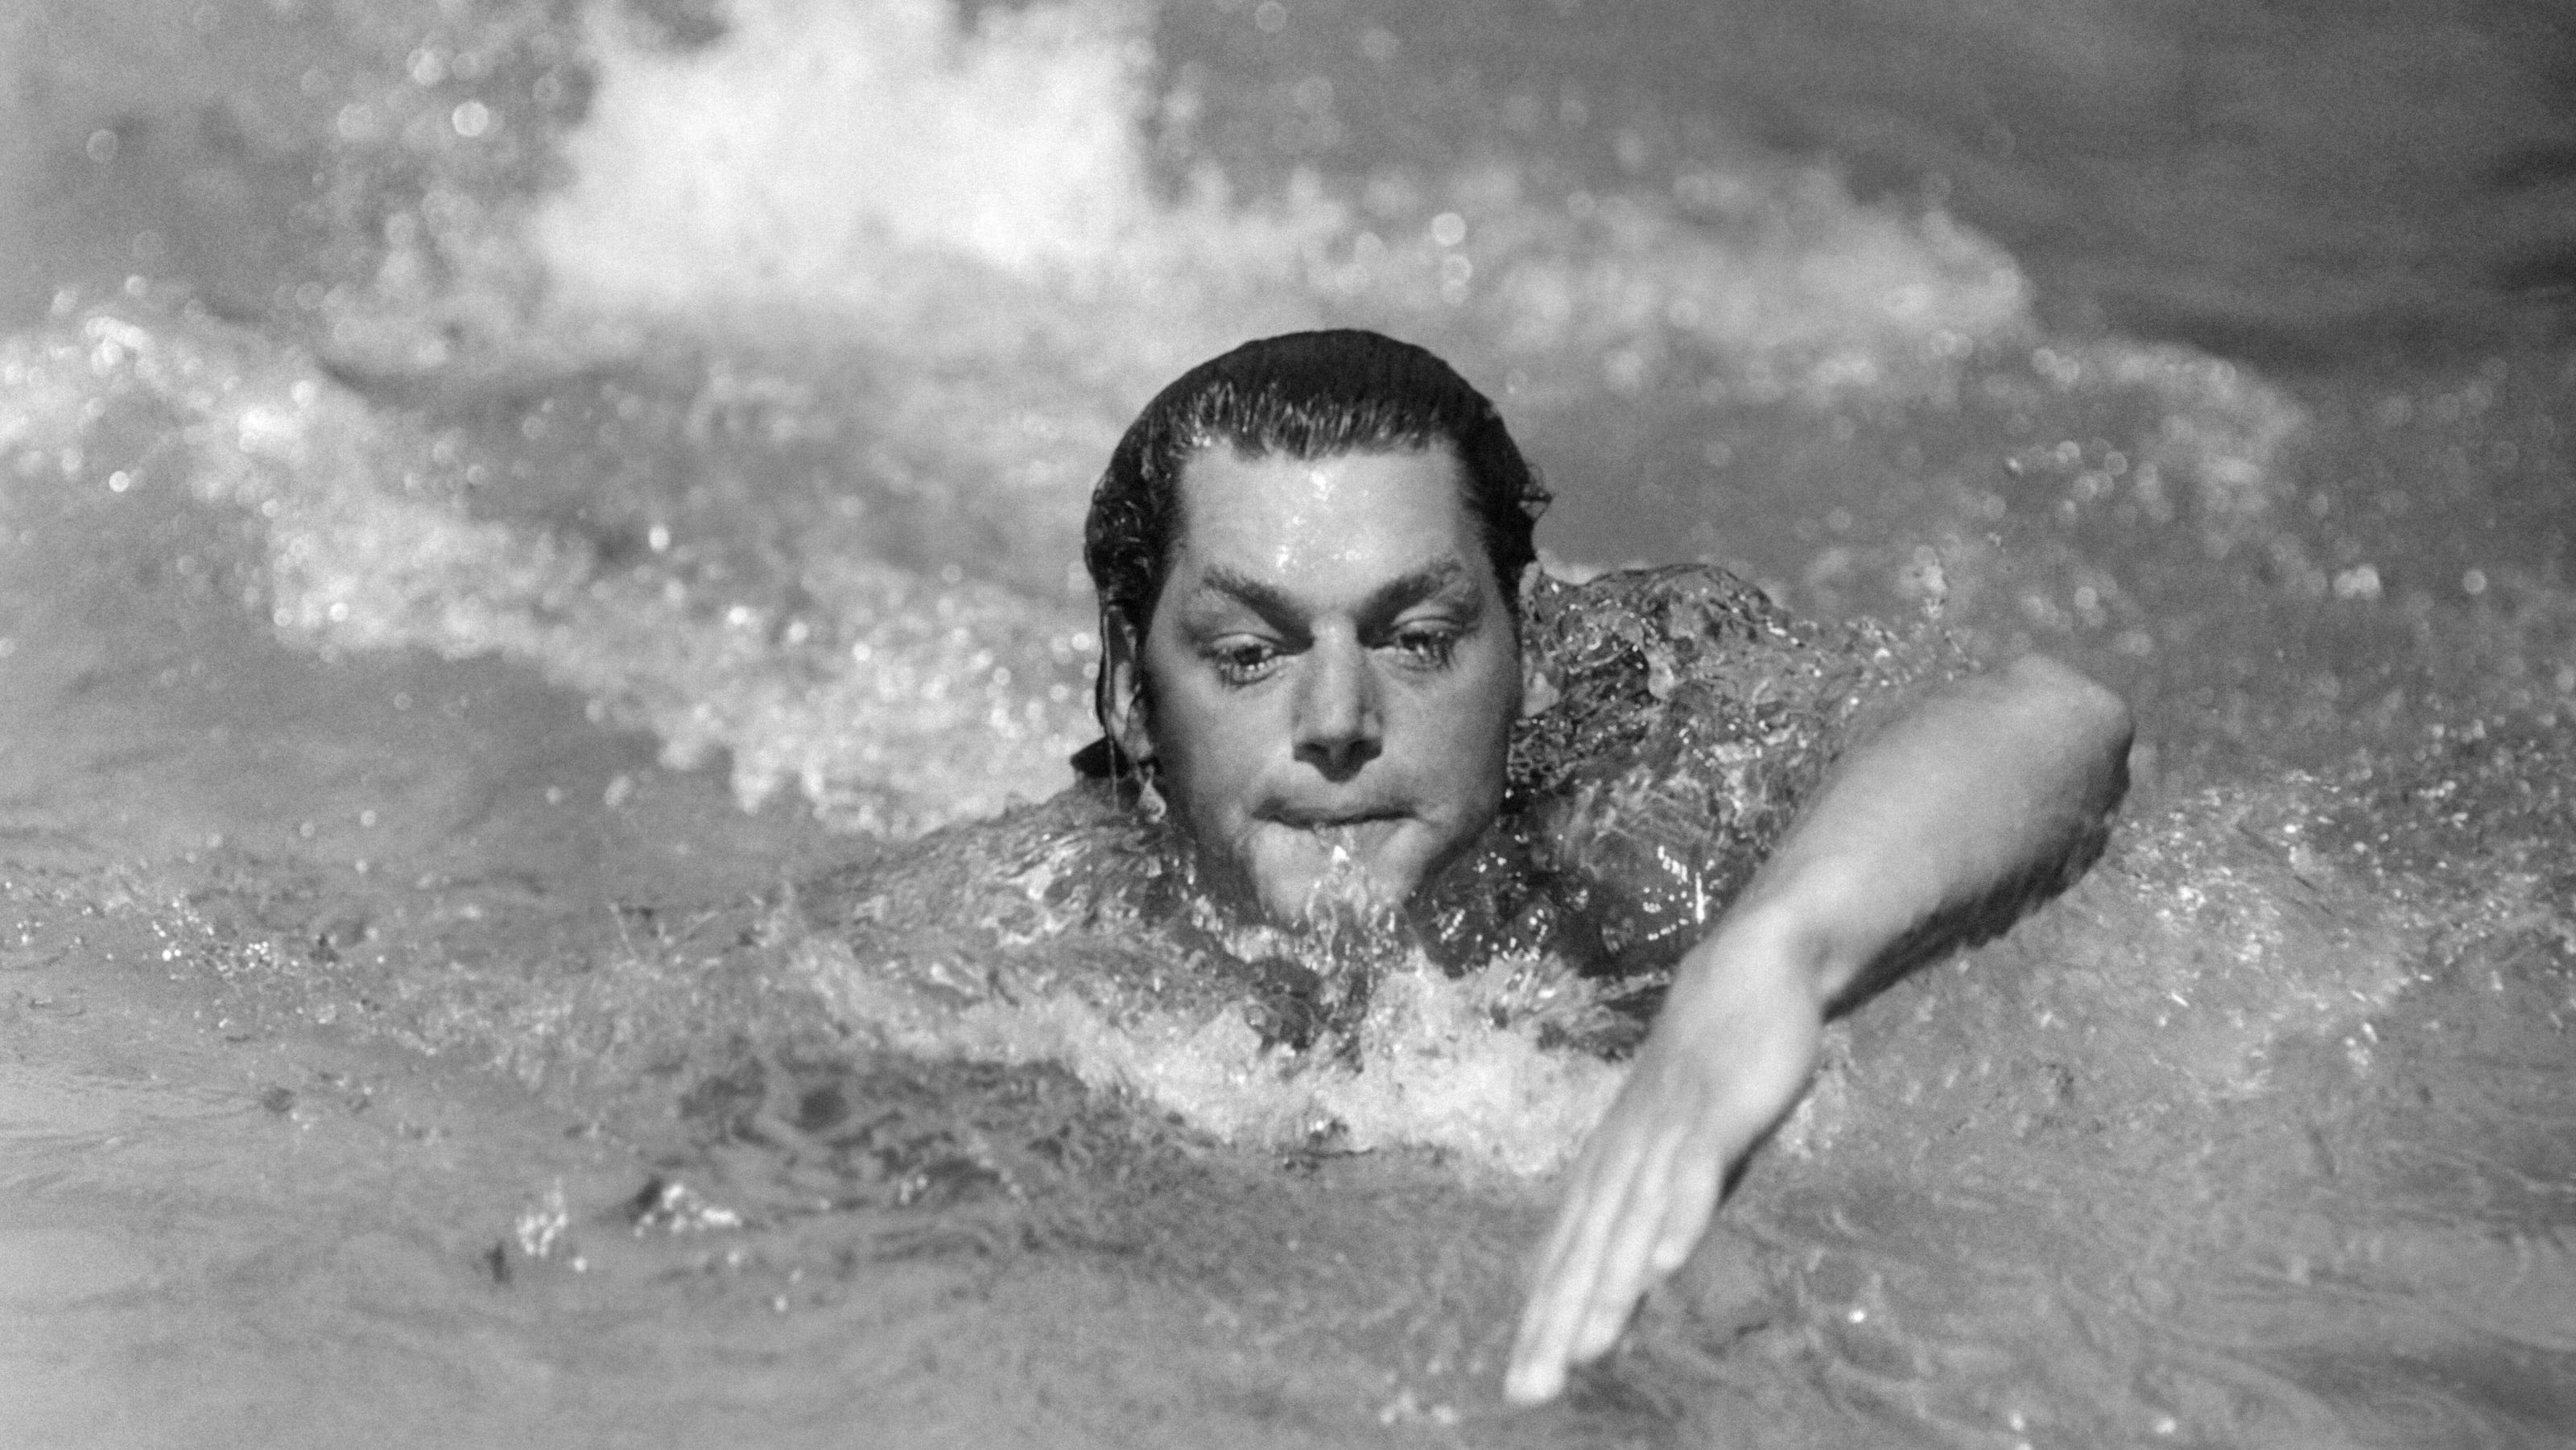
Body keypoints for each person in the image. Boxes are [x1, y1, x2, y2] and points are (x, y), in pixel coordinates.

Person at [1071, 328, 2136, 1405]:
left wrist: (1776, 953)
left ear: (1526, 648)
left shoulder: (1639, 806)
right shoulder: (1042, 956)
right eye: (1251, 655)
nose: (1339, 719)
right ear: (1128, 686)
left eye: (1421, 639)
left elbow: (2063, 726)